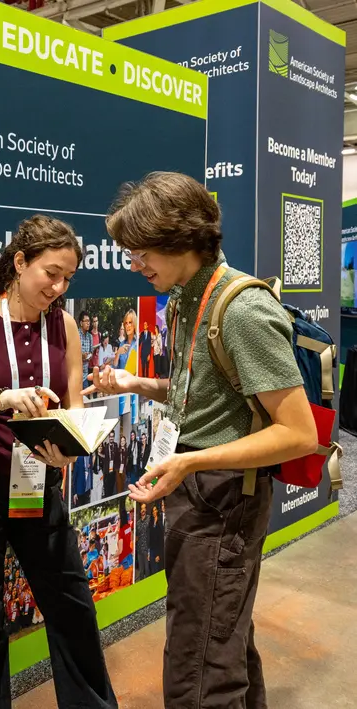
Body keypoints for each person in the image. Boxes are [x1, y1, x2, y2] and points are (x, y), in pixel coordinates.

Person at [86, 171, 318, 709]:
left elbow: (298, 432)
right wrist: (136, 383)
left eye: (141, 252)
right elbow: (204, 394)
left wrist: (191, 464)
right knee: (222, 635)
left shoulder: (242, 310)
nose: (135, 265)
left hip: (225, 500)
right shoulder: (186, 299)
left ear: (180, 239)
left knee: (199, 666)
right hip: (199, 491)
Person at [0, 214, 117, 709]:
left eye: (68, 278)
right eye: (51, 273)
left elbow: (74, 404)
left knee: (72, 607)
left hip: (38, 485)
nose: (58, 287)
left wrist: (71, 444)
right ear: (19, 262)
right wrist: (3, 399)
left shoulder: (64, 324)